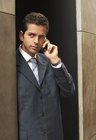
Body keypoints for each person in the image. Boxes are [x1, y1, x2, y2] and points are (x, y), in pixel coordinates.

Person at [16, 12, 75, 140]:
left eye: (41, 37)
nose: (36, 41)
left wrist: (56, 61)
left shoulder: (49, 62)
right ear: (22, 36)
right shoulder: (9, 64)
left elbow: (69, 91)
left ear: (45, 40)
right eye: (31, 35)